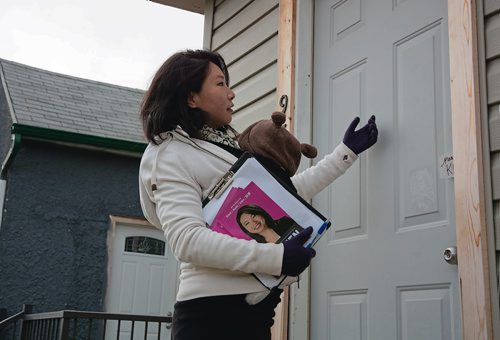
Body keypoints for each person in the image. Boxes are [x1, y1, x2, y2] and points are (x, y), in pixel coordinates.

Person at [138, 49, 377, 340]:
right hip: (213, 319)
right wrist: (277, 258)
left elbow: (287, 196)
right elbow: (187, 240)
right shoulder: (171, 154)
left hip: (254, 314)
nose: (231, 93)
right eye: (220, 83)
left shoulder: (219, 147)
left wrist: (345, 154)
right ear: (191, 97)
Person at [236, 204, 303, 243]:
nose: (254, 222)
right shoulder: (258, 249)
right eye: (247, 223)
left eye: (254, 216)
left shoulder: (285, 222)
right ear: (245, 229)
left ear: (260, 213)